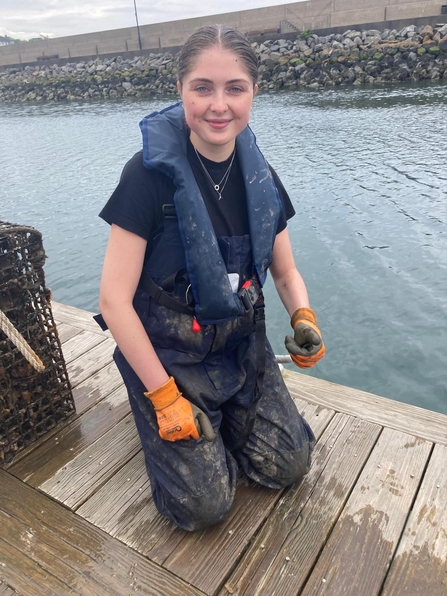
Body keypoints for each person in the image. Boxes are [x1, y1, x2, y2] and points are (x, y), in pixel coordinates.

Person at [98, 24, 325, 532]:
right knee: (203, 508)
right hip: (170, 359)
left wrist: (304, 316)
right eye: (202, 87)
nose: (218, 105)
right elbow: (113, 300)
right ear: (180, 90)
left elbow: (285, 271)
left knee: (290, 465)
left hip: (242, 351)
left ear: (253, 94)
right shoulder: (146, 176)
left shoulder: (260, 174)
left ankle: (224, 424)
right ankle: (159, 416)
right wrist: (163, 396)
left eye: (234, 88)